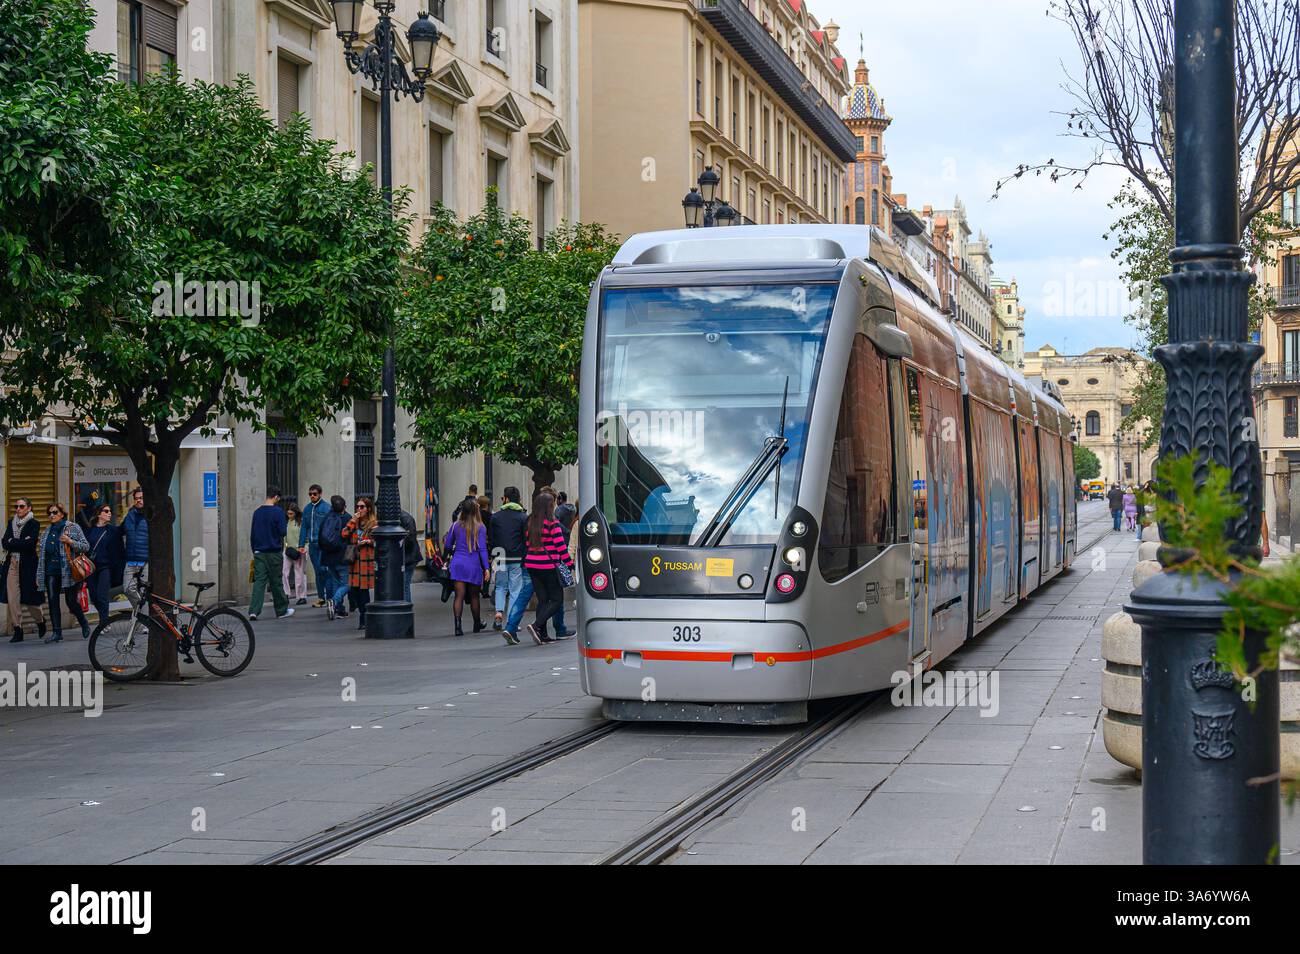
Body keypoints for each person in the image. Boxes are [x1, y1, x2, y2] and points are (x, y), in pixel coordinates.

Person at [523, 491, 574, 645]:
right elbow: (560, 547)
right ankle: (536, 626)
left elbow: (527, 544)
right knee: (557, 600)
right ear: (549, 506)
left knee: (543, 600)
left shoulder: (530, 521)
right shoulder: (553, 523)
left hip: (531, 564)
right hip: (548, 566)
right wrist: (571, 564)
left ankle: (543, 634)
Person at [36, 503, 91, 642]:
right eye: (49, 513)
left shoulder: (73, 527)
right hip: (51, 571)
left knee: (71, 601)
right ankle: (57, 633)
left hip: (69, 571)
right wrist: (39, 575)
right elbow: (42, 556)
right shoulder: (46, 531)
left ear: (61, 513)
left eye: (54, 512)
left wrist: (70, 541)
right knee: (53, 601)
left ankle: (84, 623)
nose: (51, 515)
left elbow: (86, 546)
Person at [443, 498, 490, 636]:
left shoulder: (455, 525)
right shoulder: (481, 527)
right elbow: (482, 549)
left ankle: (458, 627)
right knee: (474, 596)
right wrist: (486, 567)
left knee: (459, 595)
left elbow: (447, 545)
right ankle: (476, 624)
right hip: (473, 564)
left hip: (458, 563)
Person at [1, 497, 45, 642]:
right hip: (12, 563)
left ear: (29, 508)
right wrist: (18, 542)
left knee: (30, 599)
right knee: (13, 598)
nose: (18, 509)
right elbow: (4, 542)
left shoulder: (34, 524)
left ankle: (40, 621)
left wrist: (13, 542)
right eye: (17, 506)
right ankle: (17, 629)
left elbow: (30, 544)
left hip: (28, 565)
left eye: (21, 506)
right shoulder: (11, 523)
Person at [248, 487, 294, 621]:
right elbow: (282, 532)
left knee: (259, 582)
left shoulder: (257, 512)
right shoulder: (278, 511)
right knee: (276, 582)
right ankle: (281, 610)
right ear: (276, 497)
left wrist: (255, 550)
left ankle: (254, 611)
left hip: (259, 552)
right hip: (273, 552)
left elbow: (252, 534)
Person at [490, 487, 528, 643]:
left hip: (499, 555)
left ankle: (499, 611)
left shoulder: (495, 517)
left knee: (500, 587)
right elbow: (525, 539)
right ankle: (511, 621)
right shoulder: (523, 517)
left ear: (505, 499)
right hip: (516, 556)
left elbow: (491, 538)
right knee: (515, 589)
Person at [84, 503, 125, 623]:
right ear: (98, 514)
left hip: (105, 567)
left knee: (102, 596)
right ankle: (104, 619)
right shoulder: (89, 530)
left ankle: (104, 622)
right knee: (94, 597)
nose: (109, 513)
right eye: (106, 511)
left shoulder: (113, 530)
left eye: (110, 511)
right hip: (91, 568)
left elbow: (119, 550)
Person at [342, 496, 377, 630]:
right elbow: (344, 534)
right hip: (355, 561)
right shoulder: (354, 522)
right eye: (357, 506)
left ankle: (364, 618)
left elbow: (379, 541)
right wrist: (353, 520)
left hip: (366, 561)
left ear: (368, 509)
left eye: (362, 507)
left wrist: (368, 541)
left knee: (364, 591)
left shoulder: (373, 523)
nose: (359, 509)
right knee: (355, 591)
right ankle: (363, 614)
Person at [317, 495, 351, 619]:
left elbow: (320, 536)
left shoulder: (327, 518)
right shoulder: (347, 518)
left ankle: (337, 609)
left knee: (336, 582)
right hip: (342, 556)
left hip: (328, 556)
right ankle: (334, 601)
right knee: (348, 584)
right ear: (343, 507)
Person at [299, 484, 331, 607]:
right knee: (318, 571)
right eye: (310, 494)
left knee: (325, 570)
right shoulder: (307, 509)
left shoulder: (327, 508)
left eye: (315, 494)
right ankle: (321, 597)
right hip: (312, 545)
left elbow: (330, 526)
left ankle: (330, 597)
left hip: (323, 545)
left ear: (320, 494)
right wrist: (301, 544)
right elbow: (304, 527)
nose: (312, 496)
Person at [121, 487, 149, 613]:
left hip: (145, 561)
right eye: (136, 498)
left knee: (144, 592)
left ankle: (145, 623)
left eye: (141, 498)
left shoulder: (150, 515)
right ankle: (142, 614)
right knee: (128, 588)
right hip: (130, 560)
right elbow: (120, 531)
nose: (139, 500)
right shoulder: (130, 515)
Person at [281, 503, 309, 605]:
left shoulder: (301, 522)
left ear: (296, 513)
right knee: (284, 572)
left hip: (299, 551)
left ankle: (302, 596)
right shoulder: (286, 521)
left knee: (300, 574)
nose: (289, 515)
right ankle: (286, 594)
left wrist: (305, 548)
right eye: (288, 513)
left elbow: (306, 538)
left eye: (291, 513)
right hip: (288, 550)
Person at [399, 508, 421, 603]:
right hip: (406, 556)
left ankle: (406, 607)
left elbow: (410, 539)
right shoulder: (403, 518)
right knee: (403, 584)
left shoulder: (406, 519)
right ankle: (405, 606)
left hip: (409, 557)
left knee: (404, 584)